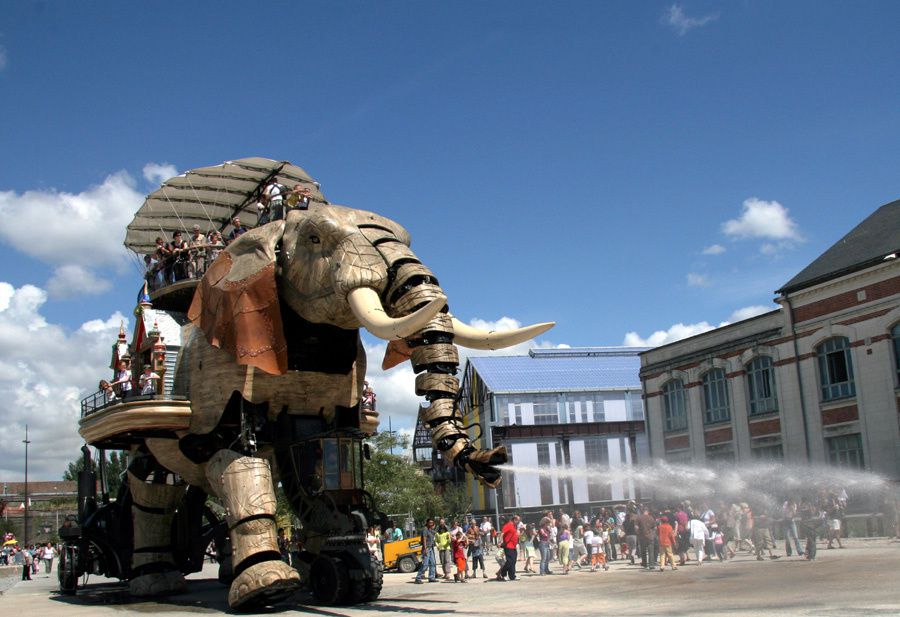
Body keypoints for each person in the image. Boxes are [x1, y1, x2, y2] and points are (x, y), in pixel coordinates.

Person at [497, 514, 520, 581]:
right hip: (508, 546)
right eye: (518, 520)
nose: (519, 521)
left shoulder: (514, 526)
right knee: (510, 561)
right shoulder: (509, 525)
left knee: (513, 561)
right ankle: (503, 573)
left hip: (513, 546)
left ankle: (512, 576)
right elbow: (502, 533)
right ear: (514, 519)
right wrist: (499, 541)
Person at [414, 518, 437, 583]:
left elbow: (436, 533)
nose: (431, 524)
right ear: (427, 523)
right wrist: (425, 548)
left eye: (432, 523)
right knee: (425, 564)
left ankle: (431, 577)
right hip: (426, 548)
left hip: (431, 548)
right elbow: (424, 538)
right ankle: (418, 578)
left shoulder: (431, 530)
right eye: (430, 522)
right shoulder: (425, 529)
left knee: (433, 563)